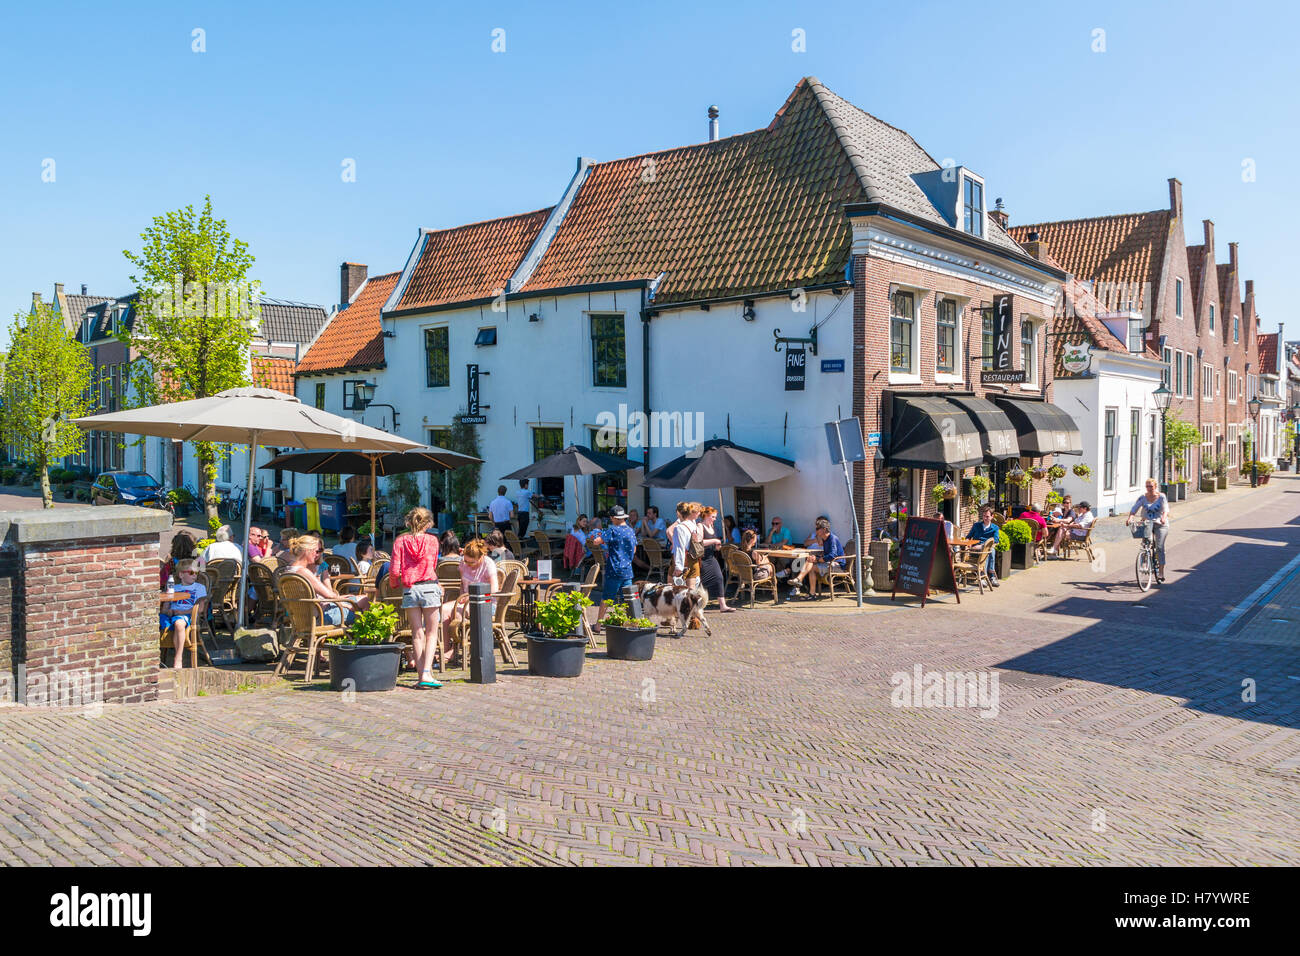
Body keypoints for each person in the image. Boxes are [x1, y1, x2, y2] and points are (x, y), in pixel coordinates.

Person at [389, 507, 443, 688]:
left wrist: (395, 584)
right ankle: (427, 672)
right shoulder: (433, 541)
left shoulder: (400, 541)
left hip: (410, 589)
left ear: (409, 522)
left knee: (417, 633)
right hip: (429, 586)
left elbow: (395, 570)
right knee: (432, 632)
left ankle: (422, 675)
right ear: (428, 523)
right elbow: (433, 564)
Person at [281, 534, 369, 627]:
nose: (318, 555)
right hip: (321, 618)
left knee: (363, 599)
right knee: (365, 602)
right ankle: (364, 636)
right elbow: (330, 595)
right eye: (316, 551)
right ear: (307, 551)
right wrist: (344, 603)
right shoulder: (303, 572)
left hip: (303, 617)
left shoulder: (288, 571)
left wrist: (341, 598)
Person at [442, 540, 498, 662]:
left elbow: (494, 590)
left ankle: (456, 649)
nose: (467, 564)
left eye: (471, 562)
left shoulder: (488, 564)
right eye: (465, 560)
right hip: (465, 600)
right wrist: (462, 596)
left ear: (481, 557)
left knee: (458, 612)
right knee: (443, 610)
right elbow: (463, 583)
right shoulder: (463, 563)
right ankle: (446, 648)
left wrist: (473, 596)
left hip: (485, 602)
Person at [594, 506, 638, 630]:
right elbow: (634, 550)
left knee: (607, 598)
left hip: (614, 568)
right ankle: (632, 623)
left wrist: (601, 539)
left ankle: (598, 625)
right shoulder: (631, 530)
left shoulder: (612, 530)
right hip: (627, 570)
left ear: (613, 518)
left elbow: (596, 541)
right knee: (629, 599)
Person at [159, 559, 207, 669]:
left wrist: (182, 612)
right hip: (172, 615)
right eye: (191, 572)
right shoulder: (174, 588)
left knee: (179, 623)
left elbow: (200, 609)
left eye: (196, 573)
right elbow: (165, 608)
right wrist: (169, 612)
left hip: (189, 615)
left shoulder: (199, 587)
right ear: (181, 574)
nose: (194, 575)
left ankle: (178, 657)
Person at [789, 518, 846, 598]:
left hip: (838, 565)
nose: (816, 531)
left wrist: (818, 559)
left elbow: (832, 555)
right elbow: (827, 554)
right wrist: (815, 558)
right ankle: (808, 589)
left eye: (817, 529)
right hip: (831, 563)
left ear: (824, 529)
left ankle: (800, 580)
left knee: (811, 564)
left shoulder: (832, 538)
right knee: (810, 561)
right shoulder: (825, 539)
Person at [1126, 479, 1170, 582]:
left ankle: (1161, 572)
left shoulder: (1161, 497)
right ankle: (1144, 563)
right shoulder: (1143, 498)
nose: (1149, 489)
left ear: (1155, 486)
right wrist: (1130, 518)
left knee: (1159, 547)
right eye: (1147, 486)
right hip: (1147, 523)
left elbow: (1166, 509)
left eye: (1151, 486)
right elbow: (1134, 509)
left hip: (1161, 524)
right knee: (1146, 542)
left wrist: (1163, 518)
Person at [697, 506, 735, 612]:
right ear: (706, 516)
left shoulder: (712, 526)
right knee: (701, 582)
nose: (714, 519)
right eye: (713, 517)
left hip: (711, 557)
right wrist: (714, 540)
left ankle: (723, 606)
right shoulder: (700, 526)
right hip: (702, 558)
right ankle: (697, 603)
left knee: (719, 577)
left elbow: (713, 543)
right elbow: (700, 542)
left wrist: (717, 546)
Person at [668, 501, 702, 587]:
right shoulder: (694, 525)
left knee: (674, 591)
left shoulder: (679, 528)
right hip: (694, 559)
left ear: (678, 513)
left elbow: (680, 548)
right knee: (691, 592)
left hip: (683, 561)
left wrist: (679, 567)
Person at [966, 505, 1001, 586]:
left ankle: (983, 576)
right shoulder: (976, 525)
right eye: (984, 516)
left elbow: (996, 540)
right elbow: (968, 536)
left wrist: (982, 546)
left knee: (989, 550)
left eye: (987, 516)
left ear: (992, 517)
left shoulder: (995, 528)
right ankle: (990, 576)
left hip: (985, 548)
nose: (985, 518)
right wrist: (967, 543)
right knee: (990, 551)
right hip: (975, 549)